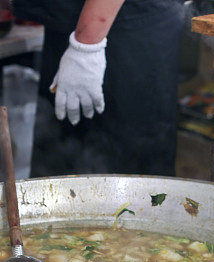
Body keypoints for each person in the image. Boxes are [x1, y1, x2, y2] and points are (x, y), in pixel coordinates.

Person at [13, 0, 186, 177]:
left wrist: (86, 45)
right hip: (73, 27)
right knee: (58, 177)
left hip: (120, 35)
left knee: (132, 184)